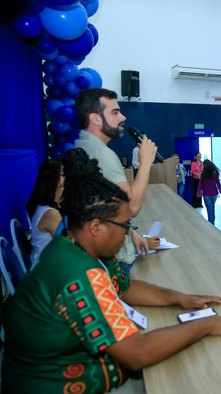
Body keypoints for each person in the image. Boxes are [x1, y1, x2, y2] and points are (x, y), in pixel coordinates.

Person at [1, 157, 221, 394]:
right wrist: (206, 325)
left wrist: (180, 298)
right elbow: (137, 353)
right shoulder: (77, 272)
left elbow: (124, 287)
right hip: (56, 390)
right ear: (95, 226)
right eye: (124, 226)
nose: (127, 234)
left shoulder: (75, 244)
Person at [74, 88, 158, 271]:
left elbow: (103, 207)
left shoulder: (82, 145)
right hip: (113, 261)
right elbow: (130, 207)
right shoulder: (101, 154)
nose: (122, 117)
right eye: (115, 112)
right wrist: (145, 163)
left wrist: (129, 231)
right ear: (95, 118)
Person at [26, 159, 64, 265]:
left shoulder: (45, 207)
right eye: (62, 174)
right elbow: (70, 244)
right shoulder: (50, 214)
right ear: (53, 182)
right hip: (45, 271)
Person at [198, 160, 221, 225]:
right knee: (212, 206)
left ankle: (211, 222)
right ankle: (212, 221)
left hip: (206, 194)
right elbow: (218, 183)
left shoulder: (203, 174)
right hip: (215, 194)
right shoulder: (215, 173)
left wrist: (199, 191)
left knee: (209, 208)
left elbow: (200, 184)